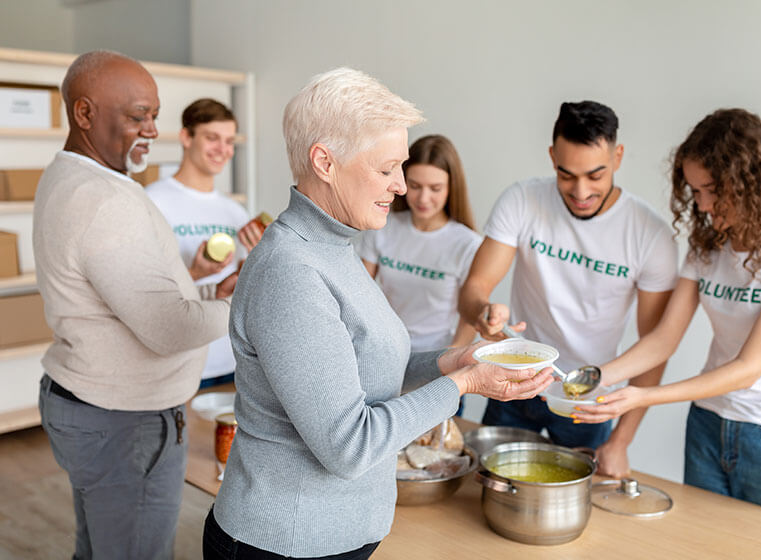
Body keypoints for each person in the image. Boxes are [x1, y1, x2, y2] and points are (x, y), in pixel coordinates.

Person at [202, 67, 554, 560]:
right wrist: (465, 385)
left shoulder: (334, 246)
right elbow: (349, 446)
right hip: (283, 542)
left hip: (332, 538)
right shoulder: (291, 271)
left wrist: (454, 361)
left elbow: (362, 366)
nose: (401, 187)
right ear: (324, 162)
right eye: (387, 169)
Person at [573, 108, 761, 519]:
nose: (704, 205)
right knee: (703, 542)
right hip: (708, 425)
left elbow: (749, 368)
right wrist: (594, 377)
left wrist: (643, 396)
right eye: (695, 192)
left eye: (713, 190)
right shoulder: (709, 246)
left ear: (751, 183)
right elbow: (664, 339)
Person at [33, 50, 235, 559]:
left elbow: (124, 298)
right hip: (124, 423)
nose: (151, 129)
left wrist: (207, 294)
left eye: (155, 115)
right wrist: (248, 306)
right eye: (137, 116)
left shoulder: (66, 175)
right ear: (84, 113)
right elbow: (169, 329)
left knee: (100, 548)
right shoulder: (107, 199)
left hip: (89, 406)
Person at [459, 100, 679, 477]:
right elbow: (473, 288)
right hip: (518, 381)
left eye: (595, 175)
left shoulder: (650, 235)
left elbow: (655, 347)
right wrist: (483, 313)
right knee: (492, 485)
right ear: (552, 157)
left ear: (618, 156)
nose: (580, 191)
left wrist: (620, 442)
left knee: (573, 496)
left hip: (588, 398)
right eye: (566, 175)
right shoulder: (522, 200)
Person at [146, 98, 265, 388]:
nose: (223, 150)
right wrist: (196, 274)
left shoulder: (235, 211)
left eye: (229, 141)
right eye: (212, 138)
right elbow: (142, 291)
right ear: (186, 137)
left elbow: (245, 287)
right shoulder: (152, 201)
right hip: (179, 362)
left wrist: (258, 259)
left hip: (232, 359)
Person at [356, 134, 481, 352]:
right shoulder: (382, 226)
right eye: (415, 186)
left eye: (435, 188)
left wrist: (447, 358)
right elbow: (358, 291)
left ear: (451, 187)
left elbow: (470, 318)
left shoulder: (468, 244)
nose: (423, 198)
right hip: (384, 347)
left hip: (436, 353)